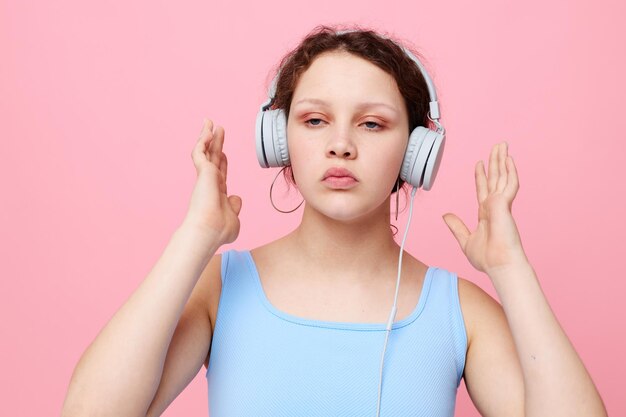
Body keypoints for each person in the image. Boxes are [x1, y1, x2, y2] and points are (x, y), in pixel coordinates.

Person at [61, 26, 607, 417]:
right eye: (315, 120)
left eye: (372, 124)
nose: (340, 145)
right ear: (279, 142)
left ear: (416, 152)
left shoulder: (457, 311)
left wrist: (510, 269)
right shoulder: (220, 290)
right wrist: (195, 237)